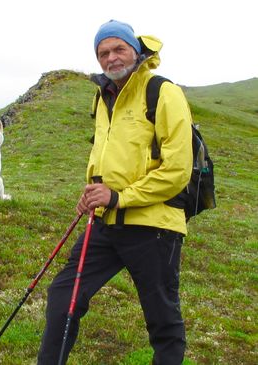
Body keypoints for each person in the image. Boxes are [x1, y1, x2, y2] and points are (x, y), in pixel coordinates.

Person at [37, 20, 193, 365]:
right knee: (64, 296)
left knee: (163, 320)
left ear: (135, 50)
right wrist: (93, 189)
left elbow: (178, 169)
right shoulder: (103, 94)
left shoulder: (162, 91)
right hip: (106, 223)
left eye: (118, 48)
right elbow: (105, 155)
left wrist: (119, 196)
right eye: (103, 52)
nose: (111, 58)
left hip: (154, 226)